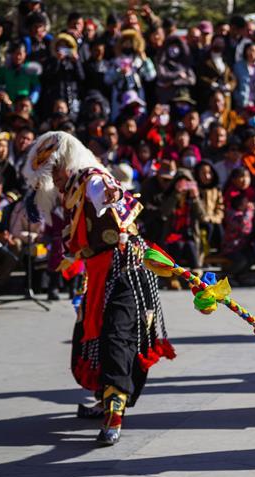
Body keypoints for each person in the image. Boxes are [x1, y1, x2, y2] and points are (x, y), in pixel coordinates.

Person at [22, 131, 173, 445]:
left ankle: (114, 414)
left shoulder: (90, 179)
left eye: (54, 172)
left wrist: (110, 194)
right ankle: (104, 400)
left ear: (66, 165)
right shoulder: (72, 189)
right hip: (99, 273)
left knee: (116, 338)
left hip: (123, 270)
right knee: (88, 339)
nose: (53, 180)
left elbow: (106, 191)